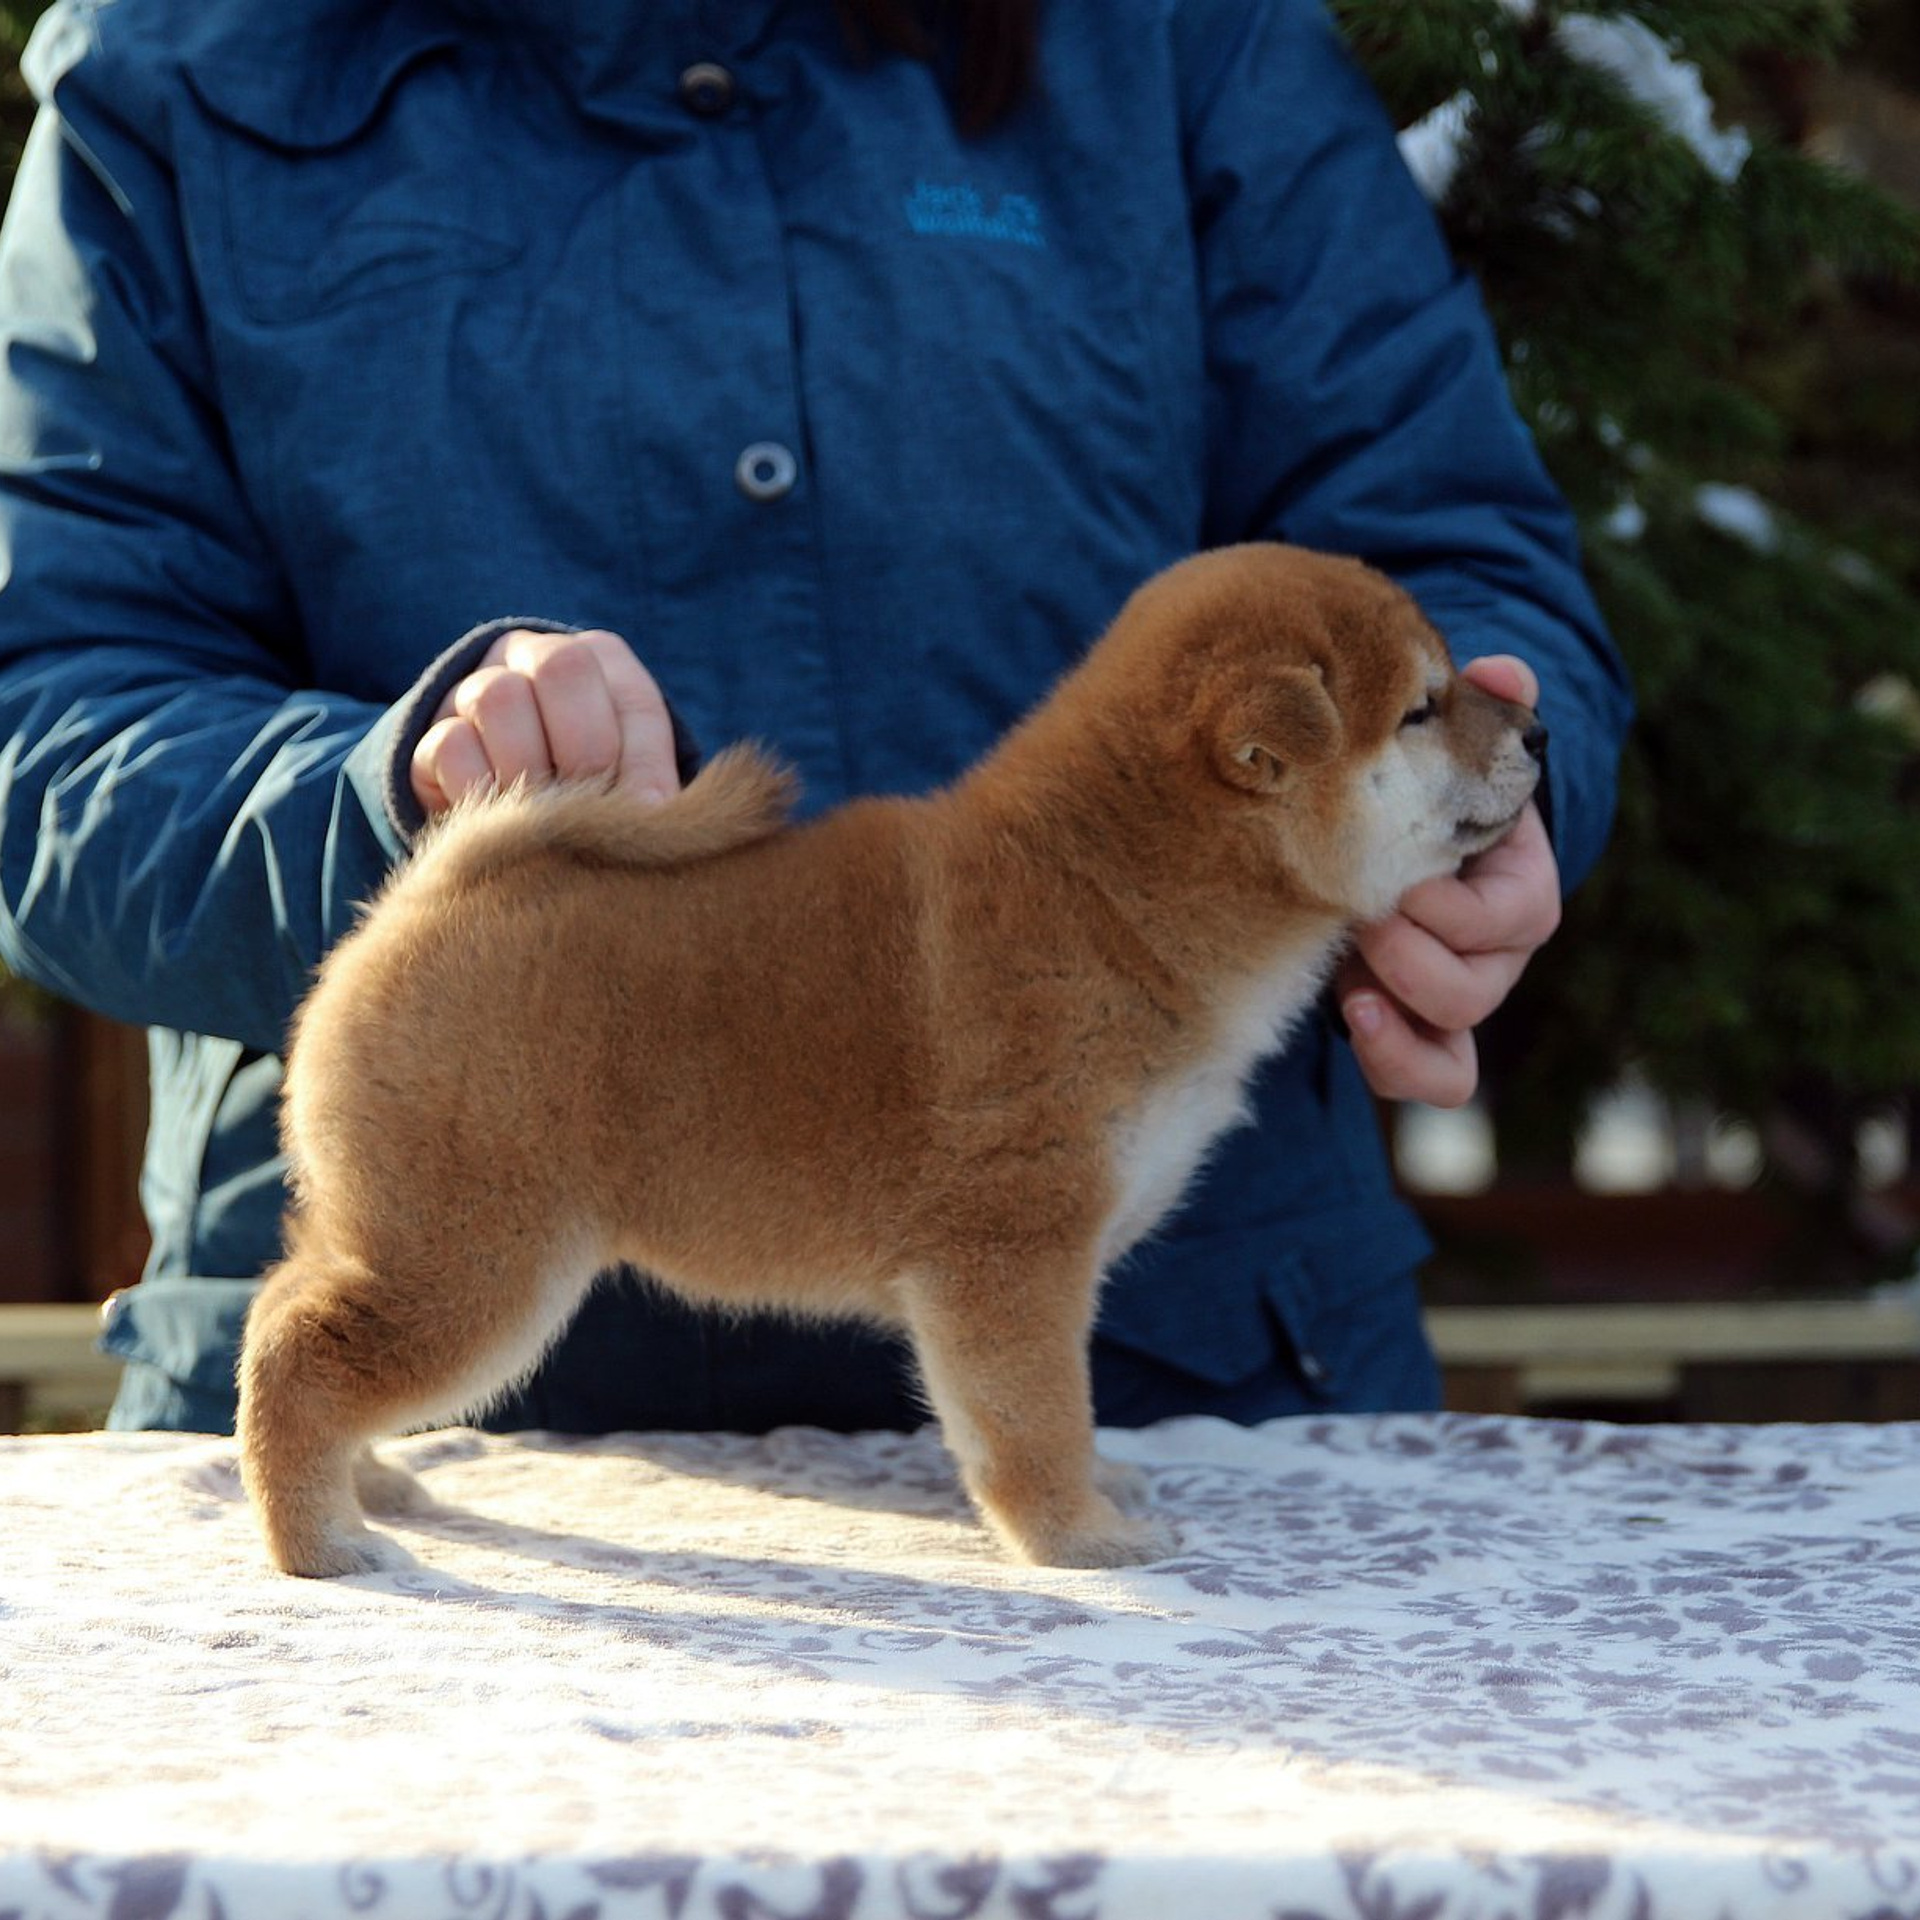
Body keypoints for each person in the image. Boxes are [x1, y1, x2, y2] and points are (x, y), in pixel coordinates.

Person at [0, 0, 1631, 1435]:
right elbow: (46, 724)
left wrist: (1470, 786)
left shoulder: (1166, 31)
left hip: (1173, 1394)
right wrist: (387, 807)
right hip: (455, 1455)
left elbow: (1438, 535)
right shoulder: (174, 71)